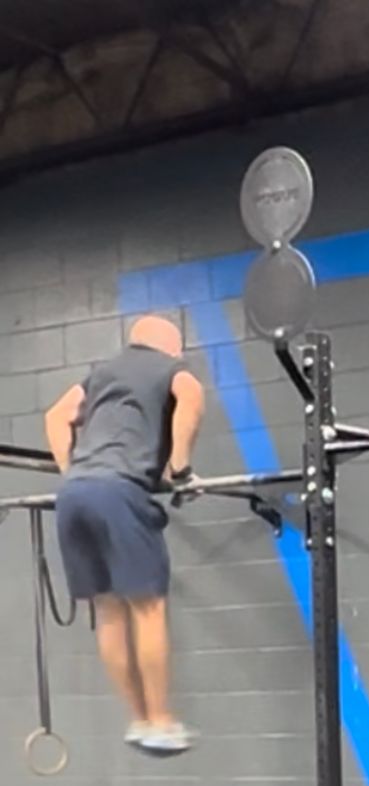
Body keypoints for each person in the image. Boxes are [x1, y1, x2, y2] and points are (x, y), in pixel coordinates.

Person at [45, 314, 205, 758]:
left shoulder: (101, 374)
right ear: (170, 345)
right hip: (120, 491)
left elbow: (56, 417)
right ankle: (162, 721)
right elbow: (190, 400)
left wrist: (72, 471)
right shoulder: (171, 370)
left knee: (110, 610)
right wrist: (181, 470)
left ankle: (139, 720)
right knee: (148, 608)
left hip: (74, 497)